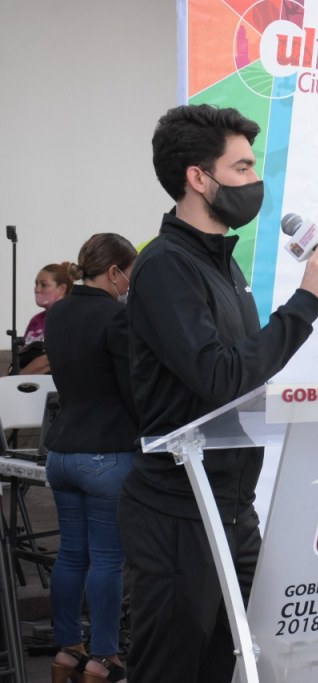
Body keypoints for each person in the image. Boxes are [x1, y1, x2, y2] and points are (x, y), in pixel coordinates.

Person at [119, 104, 318, 683]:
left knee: (242, 661)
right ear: (199, 178)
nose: (255, 181)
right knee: (174, 666)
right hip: (179, 511)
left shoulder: (226, 267)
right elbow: (220, 375)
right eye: (243, 168)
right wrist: (308, 300)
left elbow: (241, 381)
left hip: (232, 507)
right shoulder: (165, 267)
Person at [45, 234, 138, 683]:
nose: (130, 283)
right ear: (114, 271)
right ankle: (103, 658)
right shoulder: (117, 317)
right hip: (106, 454)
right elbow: (132, 388)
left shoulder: (57, 312)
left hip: (61, 453)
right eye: (130, 274)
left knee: (70, 555)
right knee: (106, 560)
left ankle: (67, 650)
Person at [12, 262, 73, 375]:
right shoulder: (36, 320)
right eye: (36, 284)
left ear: (62, 289)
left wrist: (17, 379)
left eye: (44, 285)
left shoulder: (69, 318)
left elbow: (49, 360)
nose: (37, 289)